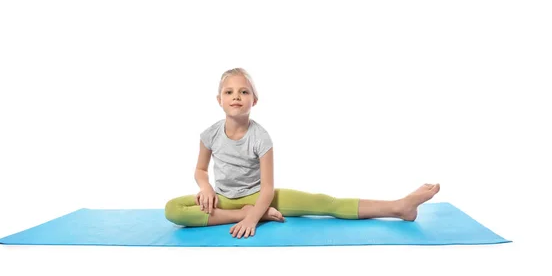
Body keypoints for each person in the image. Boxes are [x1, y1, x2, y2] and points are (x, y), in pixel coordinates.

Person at [164, 68, 440, 239]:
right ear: (219, 100)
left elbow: (268, 186)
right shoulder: (209, 134)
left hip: (261, 196)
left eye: (244, 91)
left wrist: (254, 210)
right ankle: (249, 214)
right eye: (229, 91)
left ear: (254, 100)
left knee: (326, 203)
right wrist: (208, 189)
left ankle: (399, 206)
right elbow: (200, 169)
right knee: (173, 209)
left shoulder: (261, 137)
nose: (236, 96)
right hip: (224, 201)